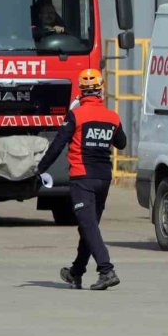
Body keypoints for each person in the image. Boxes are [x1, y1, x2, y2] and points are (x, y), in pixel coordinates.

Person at [36, 68, 127, 291]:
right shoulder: (112, 117)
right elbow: (122, 143)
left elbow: (58, 144)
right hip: (104, 179)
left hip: (82, 178)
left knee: (88, 226)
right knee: (89, 227)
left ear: (81, 91)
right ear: (101, 89)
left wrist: (40, 168)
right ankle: (76, 272)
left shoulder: (76, 115)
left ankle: (106, 270)